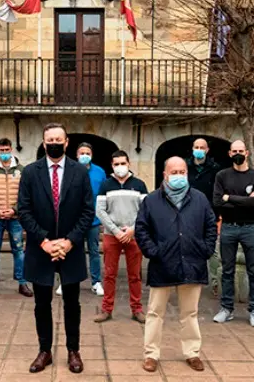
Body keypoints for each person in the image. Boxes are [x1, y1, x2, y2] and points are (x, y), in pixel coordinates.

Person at [17, 123, 95, 374]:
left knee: (73, 302)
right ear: (43, 141)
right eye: (49, 139)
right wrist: (44, 241)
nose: (54, 143)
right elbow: (24, 210)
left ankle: (74, 350)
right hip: (41, 247)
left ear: (66, 141)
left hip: (70, 247)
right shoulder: (30, 172)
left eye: (58, 139)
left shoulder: (79, 172)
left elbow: (87, 211)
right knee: (42, 303)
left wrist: (69, 241)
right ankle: (44, 351)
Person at [136, 157, 216, 373]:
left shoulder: (199, 199)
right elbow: (141, 229)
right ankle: (151, 354)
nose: (179, 176)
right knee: (155, 312)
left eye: (182, 172)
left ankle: (192, 353)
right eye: (175, 172)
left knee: (190, 312)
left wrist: (206, 249)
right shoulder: (152, 200)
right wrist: (153, 252)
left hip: (192, 262)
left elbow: (210, 225)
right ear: (165, 175)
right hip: (163, 264)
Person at [212, 140, 254, 327]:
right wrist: (244, 200)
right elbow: (217, 202)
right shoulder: (222, 175)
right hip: (228, 227)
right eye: (234, 151)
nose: (238, 154)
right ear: (229, 154)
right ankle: (226, 309)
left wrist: (230, 198)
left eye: (241, 151)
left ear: (247, 153)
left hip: (250, 227)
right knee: (227, 270)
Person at [94, 150, 148, 323]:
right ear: (112, 165)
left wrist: (132, 229)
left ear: (129, 163)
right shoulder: (106, 185)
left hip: (134, 236)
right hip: (112, 235)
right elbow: (100, 210)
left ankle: (137, 309)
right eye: (116, 164)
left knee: (135, 275)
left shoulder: (139, 185)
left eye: (123, 163)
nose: (120, 167)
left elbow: (145, 211)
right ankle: (106, 309)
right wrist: (116, 231)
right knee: (109, 274)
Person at [0, 138, 33, 298]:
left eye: (7, 150)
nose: (4, 153)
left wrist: (14, 209)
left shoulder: (21, 170)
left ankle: (22, 283)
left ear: (11, 150)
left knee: (19, 250)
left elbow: (26, 194)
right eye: (1, 150)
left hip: (15, 217)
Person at [58, 142, 105, 297]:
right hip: (73, 220)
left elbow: (103, 195)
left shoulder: (99, 172)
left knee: (94, 251)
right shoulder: (68, 170)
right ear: (76, 155)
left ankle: (96, 282)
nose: (84, 156)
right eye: (81, 153)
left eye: (87, 153)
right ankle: (64, 281)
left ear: (91, 155)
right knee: (68, 250)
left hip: (93, 220)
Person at [186, 138, 222, 295]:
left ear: (207, 150)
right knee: (189, 247)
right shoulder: (186, 168)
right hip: (189, 214)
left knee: (213, 250)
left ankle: (214, 282)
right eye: (196, 147)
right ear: (192, 149)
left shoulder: (215, 169)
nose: (199, 149)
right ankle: (189, 278)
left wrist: (218, 215)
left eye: (202, 147)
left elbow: (218, 193)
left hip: (210, 214)